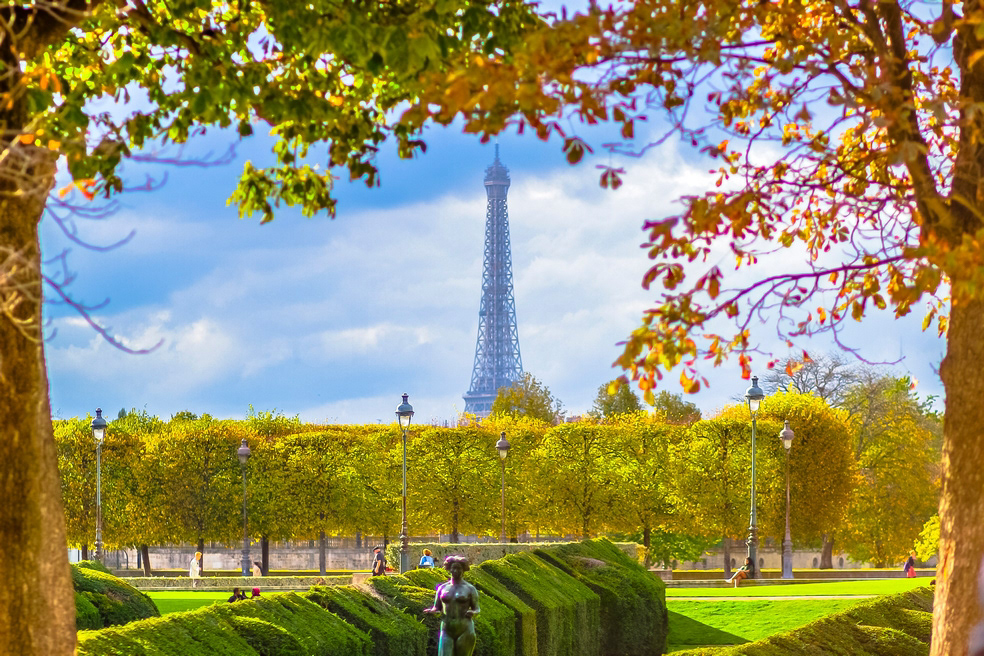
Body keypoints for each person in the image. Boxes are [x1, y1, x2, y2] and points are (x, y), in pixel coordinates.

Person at [424, 556, 480, 656]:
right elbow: (437, 607)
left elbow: (477, 609)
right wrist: (432, 611)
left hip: (465, 629)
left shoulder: (470, 589)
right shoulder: (442, 588)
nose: (455, 571)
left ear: (463, 570)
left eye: (459, 568)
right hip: (446, 629)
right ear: (449, 569)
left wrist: (473, 613)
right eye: (453, 568)